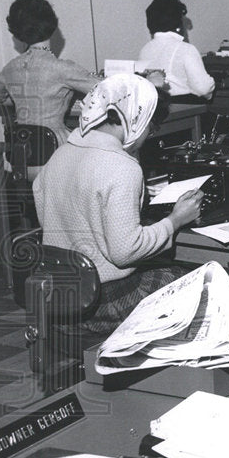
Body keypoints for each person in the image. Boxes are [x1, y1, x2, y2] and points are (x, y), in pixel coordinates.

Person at [33, 73, 204, 336]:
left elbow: (49, 216)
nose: (147, 135)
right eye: (151, 127)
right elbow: (124, 252)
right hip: (103, 303)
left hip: (60, 297)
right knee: (199, 284)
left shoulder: (61, 153)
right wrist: (175, 220)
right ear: (138, 119)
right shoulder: (122, 167)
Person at [0, 0, 100, 154]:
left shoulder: (10, 68)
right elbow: (105, 88)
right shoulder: (62, 67)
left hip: (21, 153)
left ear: (16, 31)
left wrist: (21, 100)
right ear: (52, 25)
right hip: (54, 151)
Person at [137, 0, 216, 100]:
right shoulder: (186, 49)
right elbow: (203, 88)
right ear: (178, 26)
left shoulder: (144, 50)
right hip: (185, 109)